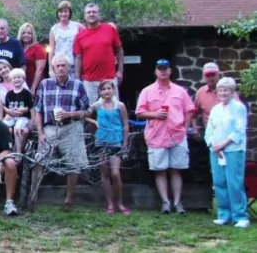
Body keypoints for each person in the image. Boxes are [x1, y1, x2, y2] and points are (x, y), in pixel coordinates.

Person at [32, 54, 90, 211]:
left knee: (73, 164)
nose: (61, 68)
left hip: (71, 126)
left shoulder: (78, 85)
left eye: (63, 65)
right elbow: (38, 110)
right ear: (53, 68)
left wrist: (70, 114)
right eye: (57, 66)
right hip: (50, 127)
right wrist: (40, 132)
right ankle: (33, 196)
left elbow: (88, 110)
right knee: (39, 161)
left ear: (69, 67)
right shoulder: (45, 84)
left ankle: (68, 200)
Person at [135, 59, 194, 215]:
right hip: (156, 136)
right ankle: (165, 202)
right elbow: (139, 113)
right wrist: (155, 114)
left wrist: (185, 128)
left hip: (177, 135)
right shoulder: (147, 91)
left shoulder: (180, 91)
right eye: (160, 69)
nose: (162, 71)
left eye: (165, 69)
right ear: (155, 71)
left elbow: (189, 109)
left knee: (176, 169)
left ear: (170, 71)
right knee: (160, 170)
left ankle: (177, 202)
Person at [204, 77, 250, 228]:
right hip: (216, 151)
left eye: (226, 90)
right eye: (221, 90)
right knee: (219, 182)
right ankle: (224, 214)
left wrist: (222, 145)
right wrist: (213, 145)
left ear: (232, 92)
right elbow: (209, 130)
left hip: (233, 150)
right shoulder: (215, 109)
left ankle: (240, 216)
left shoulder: (239, 107)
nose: (223, 93)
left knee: (234, 183)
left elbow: (238, 131)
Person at [86, 80, 130, 215]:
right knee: (104, 174)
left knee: (115, 173)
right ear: (100, 91)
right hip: (101, 142)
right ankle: (110, 204)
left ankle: (120, 203)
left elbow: (125, 124)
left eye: (109, 88)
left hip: (116, 141)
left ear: (113, 90)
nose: (106, 91)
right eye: (103, 89)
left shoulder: (120, 106)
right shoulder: (96, 106)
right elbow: (84, 115)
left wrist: (125, 142)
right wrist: (94, 121)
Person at [74, 3, 124, 102]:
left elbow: (119, 51)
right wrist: (77, 78)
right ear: (85, 16)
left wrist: (120, 71)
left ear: (99, 14)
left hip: (109, 79)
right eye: (88, 12)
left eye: (94, 12)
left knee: (113, 110)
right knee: (90, 111)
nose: (91, 14)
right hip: (89, 81)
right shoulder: (79, 36)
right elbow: (78, 58)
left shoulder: (110, 29)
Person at [193, 62, 240, 131]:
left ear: (218, 75)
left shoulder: (228, 90)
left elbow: (238, 110)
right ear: (203, 77)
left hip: (229, 132)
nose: (210, 78)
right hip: (211, 135)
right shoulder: (200, 93)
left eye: (213, 75)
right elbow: (194, 113)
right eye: (208, 75)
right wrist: (195, 128)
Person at [0, 69, 33, 153]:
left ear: (23, 79)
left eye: (19, 77)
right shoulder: (9, 94)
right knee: (1, 125)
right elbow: (6, 108)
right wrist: (9, 112)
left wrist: (24, 109)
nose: (17, 79)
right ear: (11, 80)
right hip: (12, 117)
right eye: (14, 78)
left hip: (23, 117)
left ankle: (18, 151)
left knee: (17, 129)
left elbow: (30, 107)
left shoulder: (26, 93)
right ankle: (6, 148)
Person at [48, 1, 84, 79]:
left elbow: (89, 34)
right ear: (58, 13)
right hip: (59, 66)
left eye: (65, 11)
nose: (63, 14)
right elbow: (51, 50)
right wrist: (50, 69)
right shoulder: (54, 29)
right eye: (61, 12)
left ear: (69, 13)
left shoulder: (77, 26)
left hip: (74, 66)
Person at [19, 23, 46, 96]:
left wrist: (33, 87)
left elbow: (40, 69)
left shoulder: (38, 48)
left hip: (34, 83)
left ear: (33, 35)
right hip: (19, 83)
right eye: (23, 33)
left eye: (29, 33)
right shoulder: (17, 48)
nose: (26, 35)